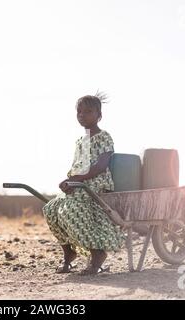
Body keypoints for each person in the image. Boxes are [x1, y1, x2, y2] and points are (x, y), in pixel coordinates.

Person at [42, 92, 126, 275]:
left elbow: (100, 166)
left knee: (71, 209)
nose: (82, 115)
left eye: (88, 111)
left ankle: (97, 254)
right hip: (79, 183)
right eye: (79, 111)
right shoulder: (80, 141)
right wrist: (68, 181)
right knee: (50, 209)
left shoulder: (104, 137)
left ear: (99, 115)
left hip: (95, 183)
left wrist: (75, 180)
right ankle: (69, 253)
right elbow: (77, 166)